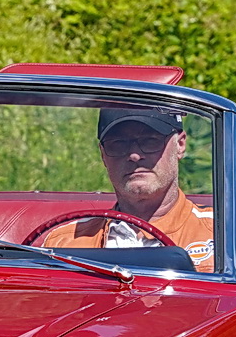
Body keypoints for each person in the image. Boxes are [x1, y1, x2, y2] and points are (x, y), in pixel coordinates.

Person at [41, 108, 215, 271]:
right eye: (118, 143)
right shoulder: (63, 243)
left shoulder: (221, 234)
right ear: (103, 155)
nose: (134, 155)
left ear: (180, 144)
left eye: (150, 141)